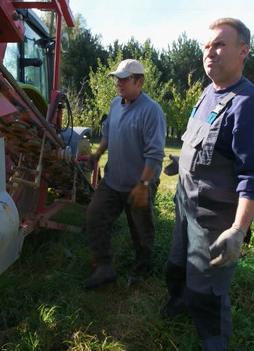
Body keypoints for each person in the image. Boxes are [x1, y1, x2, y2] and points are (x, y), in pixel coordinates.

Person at [163, 18, 254, 350]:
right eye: (207, 45)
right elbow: (199, 145)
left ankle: (214, 342)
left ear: (243, 51)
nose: (210, 52)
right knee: (177, 267)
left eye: (220, 44)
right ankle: (179, 307)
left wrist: (238, 231)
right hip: (186, 208)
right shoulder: (207, 94)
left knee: (207, 292)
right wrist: (179, 163)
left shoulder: (249, 104)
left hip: (214, 221)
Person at [84, 59, 166, 288]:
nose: (118, 83)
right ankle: (104, 266)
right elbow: (108, 131)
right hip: (113, 180)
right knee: (95, 217)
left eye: (124, 79)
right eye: (117, 79)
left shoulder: (152, 111)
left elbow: (155, 154)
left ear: (140, 81)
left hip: (138, 184)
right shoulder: (114, 104)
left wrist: (143, 185)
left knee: (140, 230)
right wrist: (98, 152)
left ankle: (142, 270)